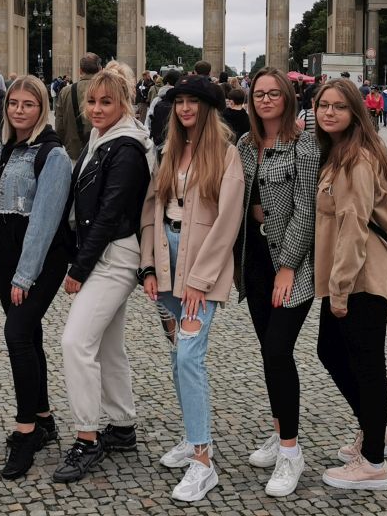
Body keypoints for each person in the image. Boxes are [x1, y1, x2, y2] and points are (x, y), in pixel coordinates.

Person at [138, 75, 244, 502]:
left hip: (201, 264)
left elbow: (228, 222)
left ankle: (203, 460)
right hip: (166, 260)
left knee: (188, 357)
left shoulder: (227, 155)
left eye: (193, 101)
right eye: (179, 101)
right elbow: (151, 209)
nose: (184, 108)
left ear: (208, 108)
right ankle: (191, 436)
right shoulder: (167, 151)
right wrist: (147, 265)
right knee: (177, 356)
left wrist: (201, 280)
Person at [54, 61, 155, 484]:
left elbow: (110, 213)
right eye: (92, 101)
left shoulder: (126, 148)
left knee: (75, 342)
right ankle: (122, 425)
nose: (96, 109)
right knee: (109, 345)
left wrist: (78, 269)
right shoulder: (103, 137)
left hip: (113, 256)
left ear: (124, 104)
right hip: (105, 252)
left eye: (106, 102)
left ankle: (87, 437)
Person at [312, 77, 387, 491]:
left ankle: (373, 464)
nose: (329, 112)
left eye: (339, 106)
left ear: (355, 112)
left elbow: (353, 227)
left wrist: (340, 289)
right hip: (351, 275)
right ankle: (376, 428)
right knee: (331, 351)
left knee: (367, 365)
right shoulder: (339, 153)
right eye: (323, 105)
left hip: (361, 278)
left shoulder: (356, 160)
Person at [235, 67, 319, 497]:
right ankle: (280, 428)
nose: (266, 100)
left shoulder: (305, 144)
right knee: (269, 353)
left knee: (278, 350)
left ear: (288, 97)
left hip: (292, 263)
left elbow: (307, 207)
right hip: (254, 260)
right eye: (259, 94)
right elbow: (237, 201)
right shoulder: (245, 144)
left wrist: (287, 264)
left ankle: (291, 451)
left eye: (274, 93)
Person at [0, 75, 72, 480]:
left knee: (17, 334)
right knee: (29, 335)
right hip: (8, 260)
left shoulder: (52, 154)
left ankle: (26, 431)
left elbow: (45, 221)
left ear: (42, 109)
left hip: (39, 263)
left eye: (29, 104)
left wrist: (24, 275)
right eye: (14, 103)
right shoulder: (2, 149)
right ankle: (44, 417)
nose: (19, 110)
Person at [54, 52, 100, 161]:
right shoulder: (107, 90)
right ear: (100, 69)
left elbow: (59, 125)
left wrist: (66, 143)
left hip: (74, 151)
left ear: (80, 70)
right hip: (101, 151)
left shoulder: (65, 91)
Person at [149, 69, 182, 145]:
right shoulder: (181, 98)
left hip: (159, 141)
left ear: (166, 82)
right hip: (178, 141)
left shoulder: (157, 100)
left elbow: (149, 120)